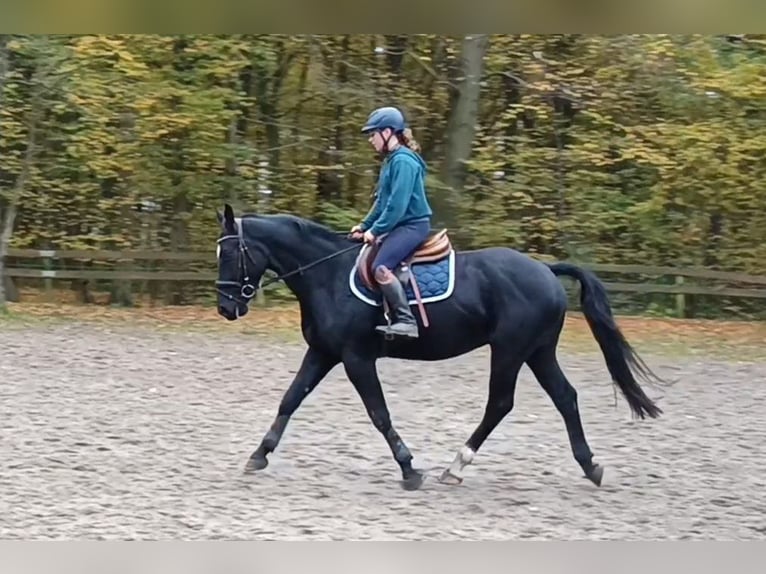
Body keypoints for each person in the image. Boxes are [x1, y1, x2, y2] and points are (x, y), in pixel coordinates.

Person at [350, 106, 433, 339]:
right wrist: (364, 225)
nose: (370, 139)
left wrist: (375, 231)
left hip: (412, 226)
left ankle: (406, 320)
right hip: (400, 225)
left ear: (388, 132)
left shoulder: (404, 162)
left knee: (381, 267)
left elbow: (397, 205)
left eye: (373, 134)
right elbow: (382, 201)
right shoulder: (391, 161)